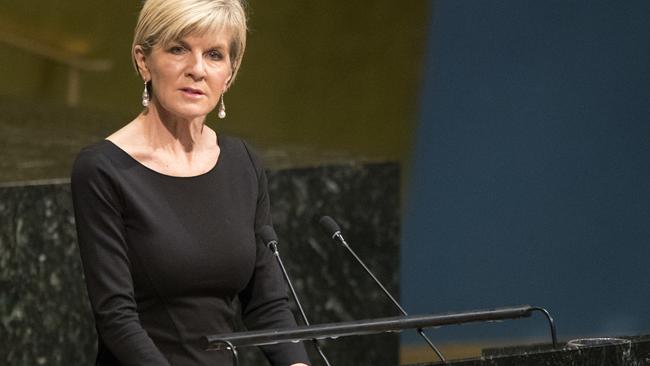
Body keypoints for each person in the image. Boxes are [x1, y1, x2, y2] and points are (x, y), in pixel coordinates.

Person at [70, 0, 310, 365]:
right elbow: (116, 319)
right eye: (179, 49)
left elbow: (267, 303)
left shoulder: (241, 163)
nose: (197, 69)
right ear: (143, 60)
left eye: (214, 55)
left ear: (229, 74)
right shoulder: (103, 169)